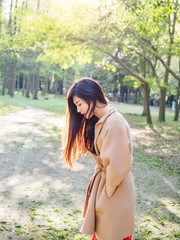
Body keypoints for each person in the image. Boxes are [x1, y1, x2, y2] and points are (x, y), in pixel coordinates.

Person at [63, 78, 135, 240]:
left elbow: (117, 166)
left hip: (114, 191)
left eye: (79, 103)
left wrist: (107, 193)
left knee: (112, 234)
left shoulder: (114, 122)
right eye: (76, 105)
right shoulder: (102, 120)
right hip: (107, 189)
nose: (78, 109)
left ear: (91, 97)